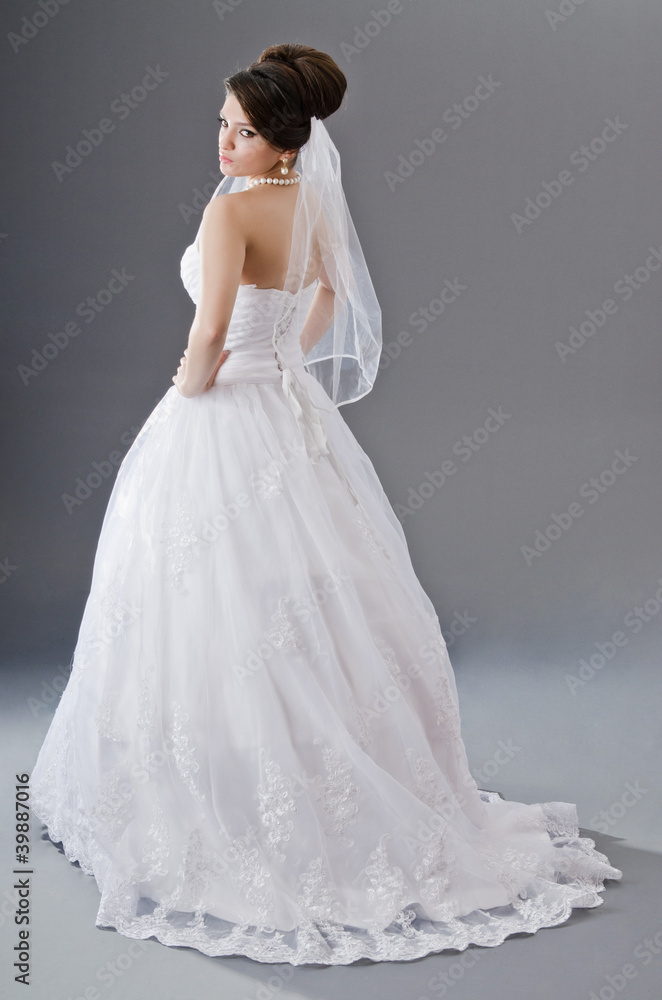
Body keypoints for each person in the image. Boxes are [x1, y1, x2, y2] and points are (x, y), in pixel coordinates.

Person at [30, 42, 621, 966]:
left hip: (224, 410)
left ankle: (237, 781)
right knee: (304, 592)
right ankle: (319, 763)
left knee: (204, 590)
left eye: (246, 132)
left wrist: (193, 391)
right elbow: (333, 292)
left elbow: (211, 332)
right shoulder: (312, 201)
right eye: (222, 124)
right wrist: (288, 363)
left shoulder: (229, 216)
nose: (225, 143)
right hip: (287, 407)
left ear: (284, 141)